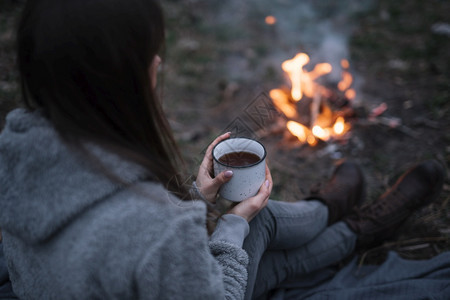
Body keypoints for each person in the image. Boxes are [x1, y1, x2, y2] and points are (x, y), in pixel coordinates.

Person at [0, 0, 446, 299]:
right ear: (122, 77)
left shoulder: (15, 157)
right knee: (262, 223)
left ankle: (336, 210)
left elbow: (117, 230)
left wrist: (196, 198)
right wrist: (233, 222)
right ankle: (350, 217)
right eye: (151, 54)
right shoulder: (155, 229)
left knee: (266, 242)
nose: (159, 63)